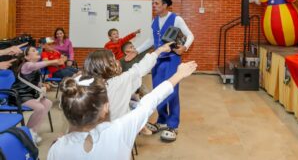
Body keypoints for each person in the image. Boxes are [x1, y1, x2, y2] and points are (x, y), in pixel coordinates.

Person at [47, 61, 197, 160]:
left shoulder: (57, 149)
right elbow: (150, 101)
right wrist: (178, 75)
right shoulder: (120, 129)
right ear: (105, 107)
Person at [136, 0, 194, 142]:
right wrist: (136, 50)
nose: (154, 6)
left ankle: (173, 125)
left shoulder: (176, 19)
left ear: (165, 5)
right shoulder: (154, 21)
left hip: (172, 59)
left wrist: (184, 48)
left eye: (156, 3)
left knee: (172, 91)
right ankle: (162, 121)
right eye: (153, 3)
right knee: (157, 91)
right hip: (158, 60)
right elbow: (150, 40)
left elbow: (190, 35)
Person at [81, 42, 172, 121]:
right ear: (106, 67)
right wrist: (159, 50)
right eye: (113, 60)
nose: (117, 61)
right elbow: (141, 67)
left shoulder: (86, 85)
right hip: (120, 127)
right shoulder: (120, 81)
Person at [11, 46, 65, 144]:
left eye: (36, 50)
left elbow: (33, 82)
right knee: (39, 107)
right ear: (27, 57)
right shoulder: (26, 65)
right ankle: (28, 132)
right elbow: (33, 67)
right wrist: (55, 61)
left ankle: (33, 131)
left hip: (30, 94)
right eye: (33, 50)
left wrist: (43, 85)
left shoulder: (36, 67)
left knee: (48, 103)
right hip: (20, 95)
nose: (37, 51)